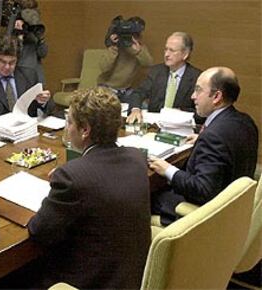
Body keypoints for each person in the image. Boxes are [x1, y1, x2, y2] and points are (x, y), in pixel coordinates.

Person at [28, 87, 151, 289]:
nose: (68, 128)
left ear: (85, 130)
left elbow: (38, 231)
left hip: (90, 281)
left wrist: (66, 182)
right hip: (132, 276)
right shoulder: (137, 158)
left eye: (70, 122)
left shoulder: (72, 177)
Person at [149, 66, 258, 226]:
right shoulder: (245, 122)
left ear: (216, 97)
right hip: (234, 206)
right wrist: (202, 138)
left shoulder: (214, 136)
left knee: (140, 196)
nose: (193, 96)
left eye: (198, 90)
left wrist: (168, 170)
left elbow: (203, 189)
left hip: (204, 214)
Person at [127, 31, 201, 124]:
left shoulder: (197, 78)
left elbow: (202, 113)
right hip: (154, 126)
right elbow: (138, 93)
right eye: (166, 49)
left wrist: (180, 114)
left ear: (185, 54)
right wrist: (135, 109)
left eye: (172, 50)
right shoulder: (156, 71)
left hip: (180, 128)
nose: (166, 54)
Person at [97, 16, 153, 103]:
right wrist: (114, 47)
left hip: (126, 90)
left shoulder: (138, 47)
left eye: (137, 34)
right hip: (107, 88)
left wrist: (138, 51)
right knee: (107, 110)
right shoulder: (115, 46)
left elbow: (148, 63)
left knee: (141, 107)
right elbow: (104, 68)